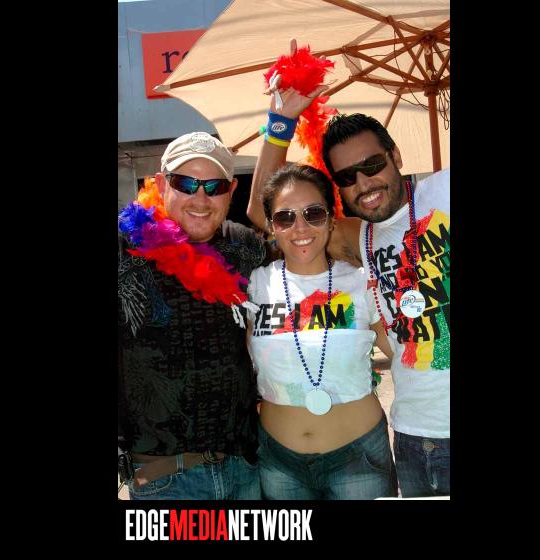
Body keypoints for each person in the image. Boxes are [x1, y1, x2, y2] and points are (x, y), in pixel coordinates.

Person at [247, 40, 450, 498]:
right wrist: (281, 123)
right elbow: (268, 212)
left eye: (372, 165)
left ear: (396, 157)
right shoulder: (359, 236)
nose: (363, 182)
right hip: (416, 437)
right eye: (346, 177)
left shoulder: (443, 192)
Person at [118, 131, 272, 500]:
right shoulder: (125, 250)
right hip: (164, 482)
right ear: (160, 184)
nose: (200, 198)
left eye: (215, 186)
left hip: (245, 472)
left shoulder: (245, 248)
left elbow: (290, 226)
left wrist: (280, 126)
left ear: (231, 191)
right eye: (185, 184)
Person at [247, 162, 398, 500]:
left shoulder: (361, 281)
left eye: (313, 213)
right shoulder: (255, 284)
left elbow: (403, 353)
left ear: (331, 219)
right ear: (271, 226)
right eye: (285, 217)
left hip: (358, 457)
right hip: (279, 463)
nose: (300, 227)